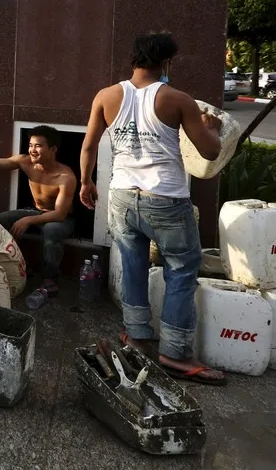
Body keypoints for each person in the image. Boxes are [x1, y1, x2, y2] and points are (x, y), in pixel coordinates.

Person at [80, 31, 225, 385]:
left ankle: (138, 337)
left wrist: (86, 182)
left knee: (132, 267)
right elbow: (209, 151)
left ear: (133, 59)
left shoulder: (106, 96)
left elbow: (88, 147)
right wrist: (213, 129)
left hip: (122, 197)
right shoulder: (178, 99)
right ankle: (175, 353)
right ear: (167, 62)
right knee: (181, 270)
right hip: (166, 200)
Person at [0, 127, 77, 297]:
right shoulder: (25, 161)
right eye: (31, 145)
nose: (32, 150)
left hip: (60, 218)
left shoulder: (65, 177)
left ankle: (50, 280)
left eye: (38, 146)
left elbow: (60, 214)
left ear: (53, 149)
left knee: (51, 230)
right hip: (35, 211)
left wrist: (27, 221)